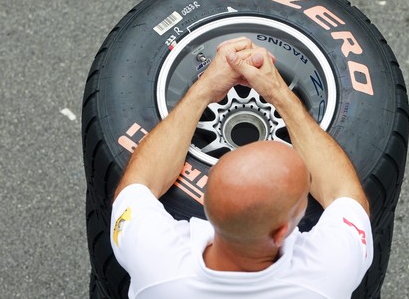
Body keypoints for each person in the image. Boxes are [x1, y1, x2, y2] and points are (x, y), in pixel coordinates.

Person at [110, 37, 373, 298]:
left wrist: (205, 88)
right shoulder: (328, 276)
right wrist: (279, 94)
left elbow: (137, 184)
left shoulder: (154, 262)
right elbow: (345, 194)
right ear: (281, 232)